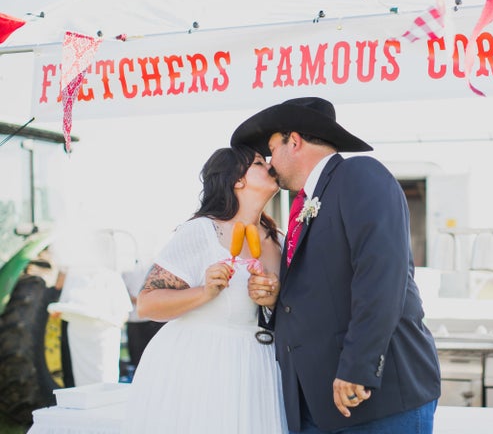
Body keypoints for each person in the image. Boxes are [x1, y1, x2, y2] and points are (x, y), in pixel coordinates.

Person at [233, 97, 441, 433]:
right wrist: (275, 300)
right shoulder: (304, 207)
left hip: (375, 399)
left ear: (294, 141)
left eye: (272, 149)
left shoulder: (359, 174)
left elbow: (381, 275)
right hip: (317, 405)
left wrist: (358, 367)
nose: (270, 163)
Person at [122, 146, 287, 434]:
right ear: (238, 180)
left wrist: (273, 299)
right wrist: (204, 292)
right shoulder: (202, 233)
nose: (271, 165)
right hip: (203, 369)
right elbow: (146, 304)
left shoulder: (278, 241)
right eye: (260, 162)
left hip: (261, 370)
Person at [48, 228, 133, 386]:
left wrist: (111, 323)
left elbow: (123, 312)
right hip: (78, 336)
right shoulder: (74, 275)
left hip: (103, 338)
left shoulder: (110, 276)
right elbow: (63, 304)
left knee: (104, 380)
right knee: (82, 383)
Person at [120, 259, 165, 378]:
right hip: (134, 320)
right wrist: (140, 300)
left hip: (156, 319)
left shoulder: (156, 257)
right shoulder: (125, 260)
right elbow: (121, 289)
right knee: (138, 362)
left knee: (158, 361)